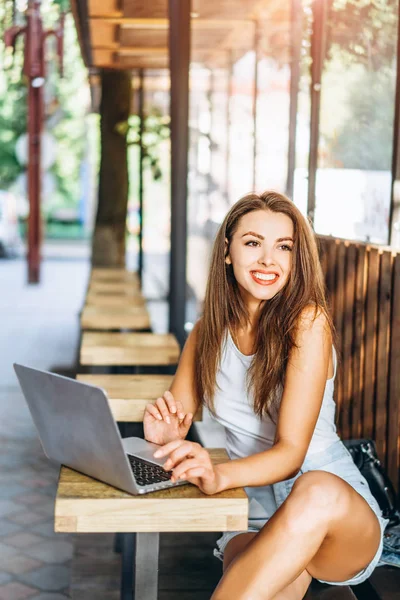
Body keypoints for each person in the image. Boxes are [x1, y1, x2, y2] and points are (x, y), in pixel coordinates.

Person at [143, 191, 389, 600]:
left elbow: (292, 453)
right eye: (253, 243)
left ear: (296, 259)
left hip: (334, 516)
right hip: (253, 511)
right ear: (227, 251)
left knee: (314, 487)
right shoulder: (206, 333)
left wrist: (218, 474)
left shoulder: (307, 323)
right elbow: (176, 419)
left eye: (284, 247)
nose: (268, 260)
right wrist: (168, 440)